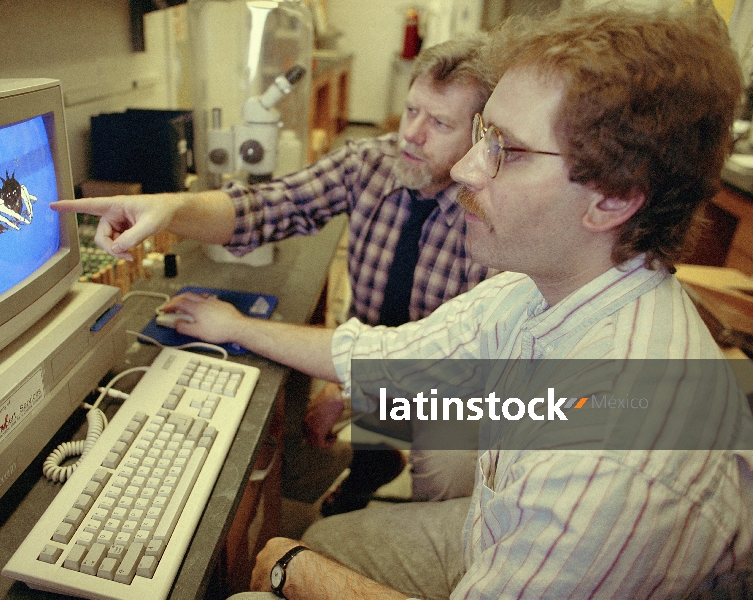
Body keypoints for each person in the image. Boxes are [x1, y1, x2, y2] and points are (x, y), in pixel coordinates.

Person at [160, 3, 753, 599]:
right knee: (330, 539)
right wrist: (236, 326)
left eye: (509, 150)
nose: (468, 168)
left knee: (276, 573)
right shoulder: (535, 288)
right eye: (482, 135)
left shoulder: (614, 458)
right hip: (492, 527)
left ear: (614, 199)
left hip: (521, 527)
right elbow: (390, 354)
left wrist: (292, 570)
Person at [53, 37, 496, 511]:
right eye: (411, 111)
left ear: (480, 138)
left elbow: (467, 368)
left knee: (451, 457)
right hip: (371, 355)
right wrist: (168, 208)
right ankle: (372, 464)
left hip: (460, 377)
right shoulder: (372, 162)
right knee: (300, 407)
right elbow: (267, 206)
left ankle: (429, 533)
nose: (412, 133)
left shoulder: (496, 215)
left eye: (441, 123)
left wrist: (359, 392)